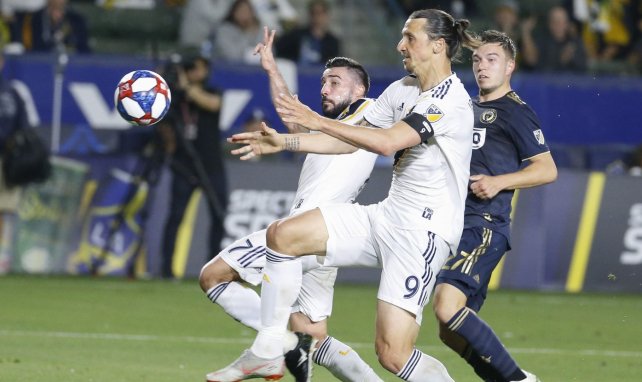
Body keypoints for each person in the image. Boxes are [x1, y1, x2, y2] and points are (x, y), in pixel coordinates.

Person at [213, 8, 479, 382]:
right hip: (385, 215)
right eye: (401, 36)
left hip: (422, 233)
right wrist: (285, 141)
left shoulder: (449, 101)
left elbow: (387, 143)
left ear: (438, 46)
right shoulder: (402, 89)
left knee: (393, 354)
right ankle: (270, 348)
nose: (400, 45)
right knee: (282, 235)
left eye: (410, 38)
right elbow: (346, 144)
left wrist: (316, 120)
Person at [203, 27, 381, 382]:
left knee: (214, 277)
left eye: (335, 82)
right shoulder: (332, 127)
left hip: (304, 235)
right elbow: (293, 118)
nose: (325, 89)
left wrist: (289, 137)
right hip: (325, 241)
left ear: (360, 89)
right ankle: (299, 344)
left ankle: (278, 343)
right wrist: (271, 69)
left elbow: (304, 128)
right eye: (324, 83)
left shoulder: (371, 112)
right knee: (315, 336)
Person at [432, 30, 558, 382]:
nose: (483, 67)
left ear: (509, 67)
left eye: (492, 60)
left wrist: (499, 182)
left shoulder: (515, 112)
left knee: (446, 306)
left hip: (485, 225)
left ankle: (519, 380)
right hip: (456, 225)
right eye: (477, 60)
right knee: (450, 329)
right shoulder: (466, 108)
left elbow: (547, 169)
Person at [157, 54, 227, 280]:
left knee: (219, 215)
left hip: (210, 165)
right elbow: (162, 123)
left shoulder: (211, 91)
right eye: (189, 69)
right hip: (184, 165)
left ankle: (214, 269)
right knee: (175, 216)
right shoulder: (174, 98)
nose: (193, 72)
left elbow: (213, 104)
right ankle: (166, 269)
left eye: (197, 68)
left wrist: (187, 87)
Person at [0, 49, 30, 272]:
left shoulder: (11, 93)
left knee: (3, 210)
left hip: (5, 160)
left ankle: (2, 257)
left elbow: (24, 129)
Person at [521, 6, 588, 72]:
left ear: (567, 24)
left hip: (572, 82)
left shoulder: (575, 41)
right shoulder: (542, 40)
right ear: (549, 24)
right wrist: (526, 33)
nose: (558, 24)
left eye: (561, 21)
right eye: (555, 21)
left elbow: (583, 67)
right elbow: (531, 61)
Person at [275, 0, 340, 65]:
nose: (317, 17)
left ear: (326, 15)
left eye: (320, 13)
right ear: (309, 14)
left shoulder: (333, 42)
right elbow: (279, 49)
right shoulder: (297, 35)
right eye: (314, 13)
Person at [12, 0, 90, 53]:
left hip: (72, 69)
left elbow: (84, 50)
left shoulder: (77, 20)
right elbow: (27, 49)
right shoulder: (32, 19)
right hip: (39, 67)